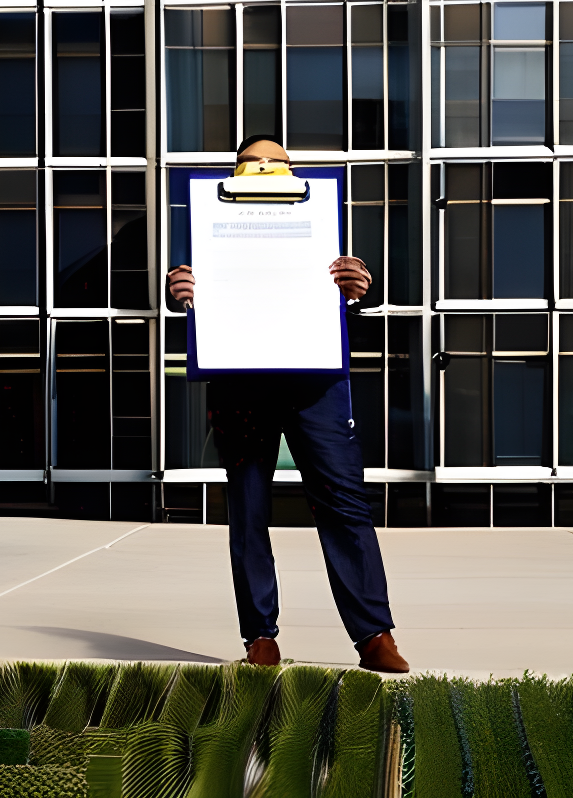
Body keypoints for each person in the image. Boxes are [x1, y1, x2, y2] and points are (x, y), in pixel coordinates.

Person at [166, 135, 410, 674]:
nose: (266, 169)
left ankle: (374, 634)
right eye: (254, 163)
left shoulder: (318, 217)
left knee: (344, 504)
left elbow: (339, 297)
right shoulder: (213, 225)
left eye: (277, 163)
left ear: (293, 173)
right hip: (240, 383)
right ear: (235, 173)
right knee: (249, 510)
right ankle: (260, 636)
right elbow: (203, 297)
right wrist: (179, 291)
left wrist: (355, 289)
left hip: (314, 383)